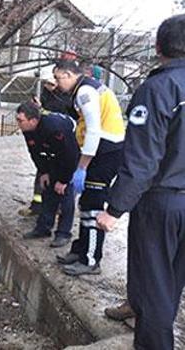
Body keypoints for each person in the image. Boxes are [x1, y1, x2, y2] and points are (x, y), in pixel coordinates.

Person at [99, 14, 185, 349]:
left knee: (154, 291)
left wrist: (115, 208)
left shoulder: (158, 89)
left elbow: (143, 158)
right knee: (171, 281)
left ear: (158, 46)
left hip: (162, 202)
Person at [52, 59, 125, 276]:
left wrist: (82, 166)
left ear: (68, 74)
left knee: (93, 205)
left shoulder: (85, 91)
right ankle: (81, 249)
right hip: (103, 150)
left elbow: (93, 129)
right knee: (86, 203)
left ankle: (91, 260)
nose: (56, 83)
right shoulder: (88, 86)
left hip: (104, 152)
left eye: (58, 78)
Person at [16, 101, 79, 248]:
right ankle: (43, 228)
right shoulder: (28, 130)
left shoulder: (55, 128)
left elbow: (70, 155)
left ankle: (63, 233)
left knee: (65, 193)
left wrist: (63, 180)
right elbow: (35, 152)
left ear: (33, 120)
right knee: (47, 190)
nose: (18, 124)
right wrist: (43, 172)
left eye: (20, 120)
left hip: (72, 152)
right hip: (52, 154)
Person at [22, 80, 76, 216]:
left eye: (52, 83)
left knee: (63, 174)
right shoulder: (46, 95)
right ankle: (37, 205)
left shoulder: (67, 96)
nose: (48, 86)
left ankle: (61, 210)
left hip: (60, 134)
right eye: (47, 83)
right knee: (42, 173)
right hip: (44, 135)